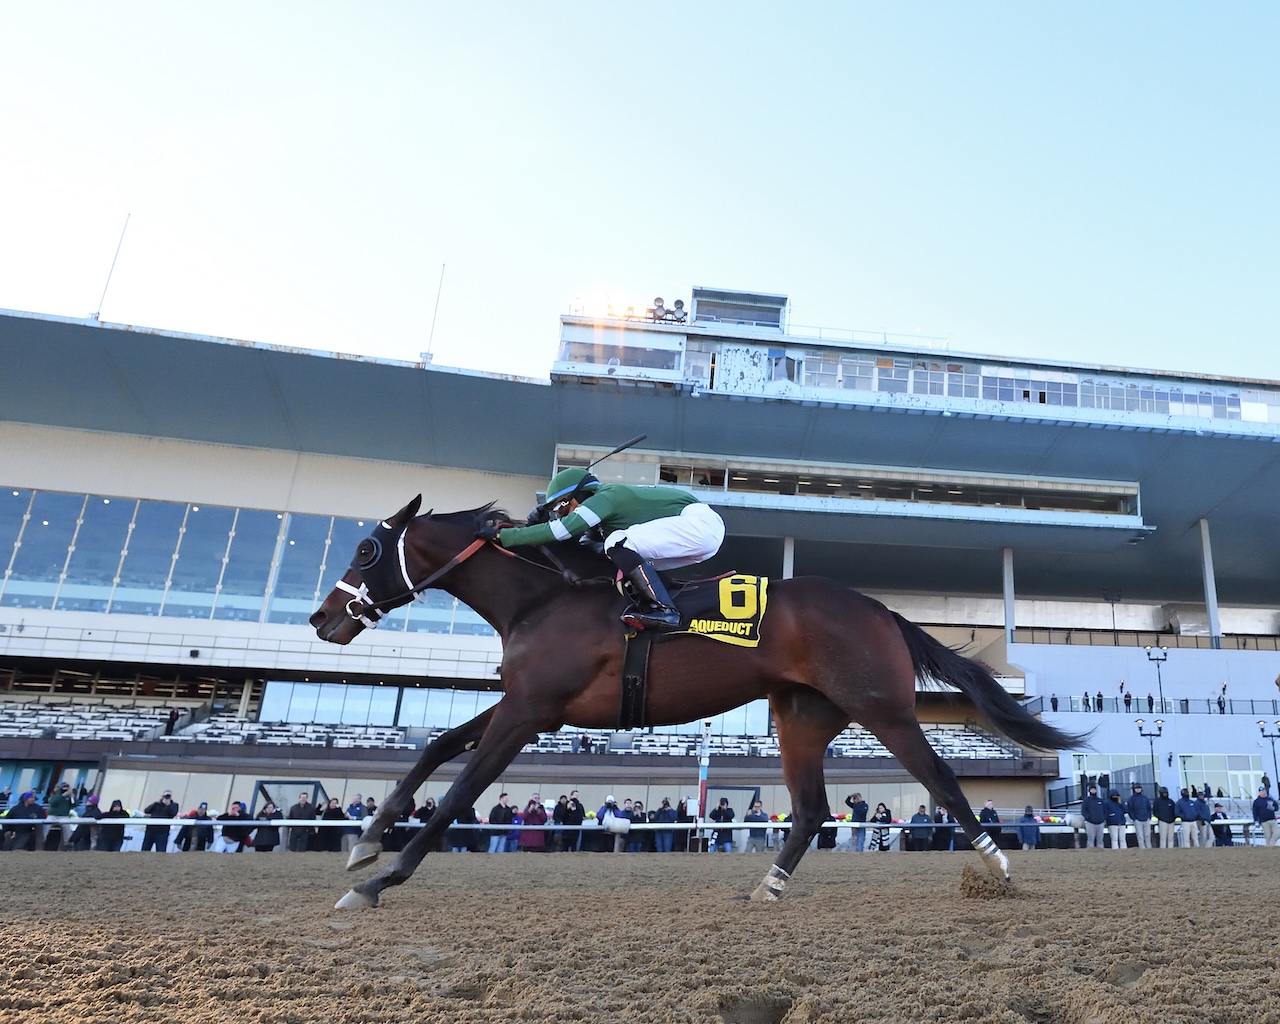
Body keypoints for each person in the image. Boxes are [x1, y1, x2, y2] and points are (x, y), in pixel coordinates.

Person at [475, 465, 726, 631]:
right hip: (700, 538)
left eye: (561, 508)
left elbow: (564, 530)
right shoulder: (602, 519)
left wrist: (505, 535)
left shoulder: (604, 497)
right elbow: (581, 544)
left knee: (617, 543)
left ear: (577, 497)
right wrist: (536, 522)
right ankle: (654, 605)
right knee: (619, 554)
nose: (560, 515)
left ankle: (666, 611)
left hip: (698, 524)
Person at [1125, 784, 1152, 849]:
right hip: (1138, 820)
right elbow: (1130, 809)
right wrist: (1134, 818)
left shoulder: (1145, 798)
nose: (1138, 789)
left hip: (1146, 819)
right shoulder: (1131, 799)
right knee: (1140, 836)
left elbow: (1149, 808)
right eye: (1136, 788)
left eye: (1139, 788)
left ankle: (1149, 848)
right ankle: (1142, 849)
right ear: (1134, 789)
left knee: (1147, 835)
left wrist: (1149, 816)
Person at [1080, 784, 1107, 849]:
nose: (1093, 790)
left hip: (1100, 823)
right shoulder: (1086, 800)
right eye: (1092, 789)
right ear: (1089, 791)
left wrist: (1103, 818)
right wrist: (1088, 817)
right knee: (1090, 839)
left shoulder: (1100, 800)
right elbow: (1083, 810)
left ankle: (1101, 852)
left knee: (1100, 840)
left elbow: (1105, 810)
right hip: (1090, 823)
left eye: (1094, 789)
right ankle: (1089, 853)